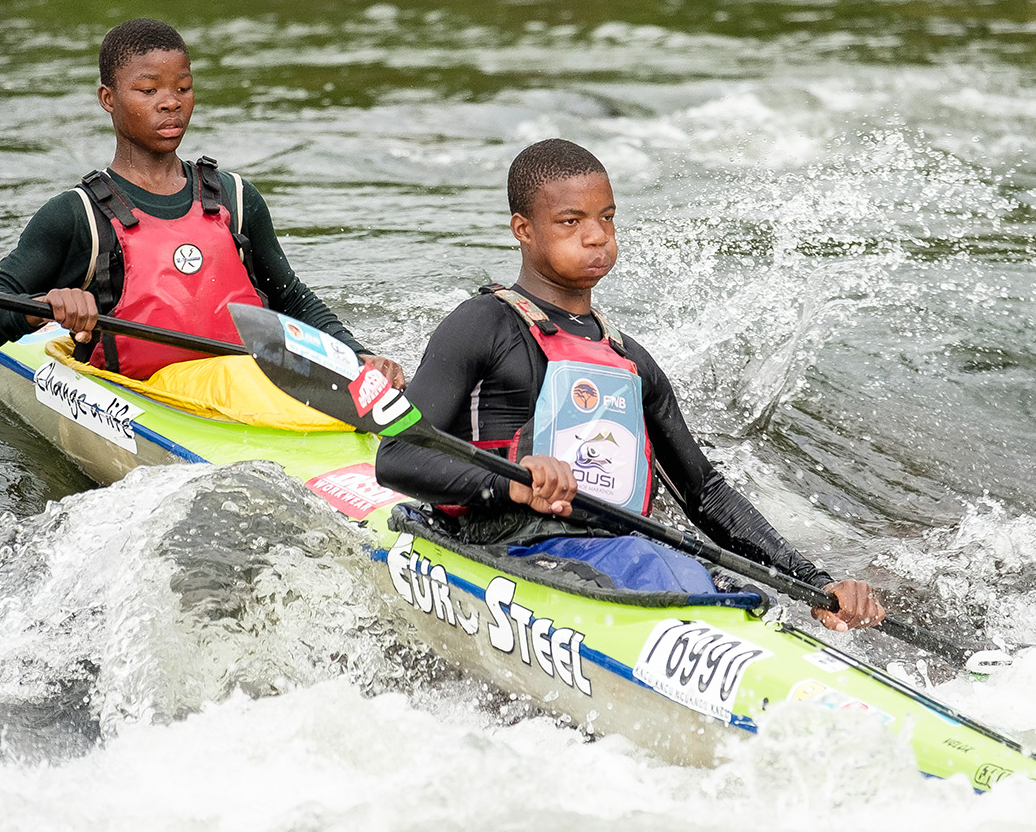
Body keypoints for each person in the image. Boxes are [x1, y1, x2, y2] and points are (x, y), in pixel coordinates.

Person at [374, 138, 882, 632]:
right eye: (571, 221)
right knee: (670, 572)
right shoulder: (482, 325)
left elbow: (706, 494)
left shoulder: (632, 362)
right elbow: (398, 457)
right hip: (508, 544)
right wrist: (511, 481)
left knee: (719, 585)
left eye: (607, 217)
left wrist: (815, 582)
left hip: (615, 555)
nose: (597, 236)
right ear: (523, 230)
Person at [0, 18, 404, 389]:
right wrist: (45, 305)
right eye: (148, 90)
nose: (171, 102)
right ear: (108, 99)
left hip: (246, 390)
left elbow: (291, 299)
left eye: (183, 87)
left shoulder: (234, 196)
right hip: (147, 397)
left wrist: (359, 356)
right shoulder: (77, 215)